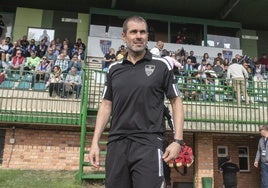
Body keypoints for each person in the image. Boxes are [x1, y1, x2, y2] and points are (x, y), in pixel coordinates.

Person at [89, 16, 184, 188]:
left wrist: (178, 141)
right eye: (133, 32)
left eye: (143, 32)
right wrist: (95, 142)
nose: (138, 36)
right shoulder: (113, 69)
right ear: (124, 36)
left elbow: (176, 101)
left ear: (147, 36)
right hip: (117, 143)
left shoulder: (162, 65)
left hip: (149, 142)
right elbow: (106, 105)